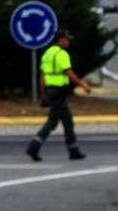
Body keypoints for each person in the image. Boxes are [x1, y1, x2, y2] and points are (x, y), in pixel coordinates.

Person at [26, 30, 91, 162]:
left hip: (50, 91)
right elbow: (69, 72)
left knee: (67, 121)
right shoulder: (62, 54)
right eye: (67, 39)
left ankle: (73, 150)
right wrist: (83, 85)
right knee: (52, 123)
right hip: (59, 91)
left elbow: (42, 76)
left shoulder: (47, 53)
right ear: (60, 40)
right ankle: (33, 147)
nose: (69, 42)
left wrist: (43, 94)